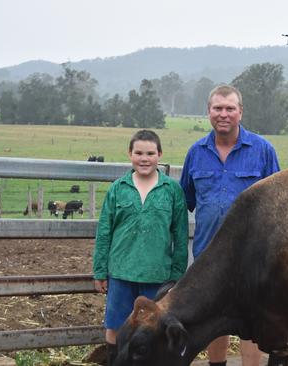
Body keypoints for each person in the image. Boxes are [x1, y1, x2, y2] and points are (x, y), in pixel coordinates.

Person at [180, 85, 280, 366]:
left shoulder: (262, 150)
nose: (223, 114)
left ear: (240, 112)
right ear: (209, 111)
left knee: (251, 321)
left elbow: (278, 204)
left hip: (251, 256)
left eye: (229, 108)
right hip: (208, 256)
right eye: (218, 108)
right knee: (213, 320)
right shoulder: (196, 153)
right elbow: (183, 201)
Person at [93, 129, 189, 366]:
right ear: (130, 154)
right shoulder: (118, 188)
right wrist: (100, 270)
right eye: (138, 153)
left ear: (159, 155)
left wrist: (177, 275)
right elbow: (104, 231)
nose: (144, 158)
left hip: (157, 275)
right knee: (115, 325)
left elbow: (180, 234)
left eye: (150, 153)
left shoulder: (172, 190)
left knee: (153, 330)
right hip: (121, 271)